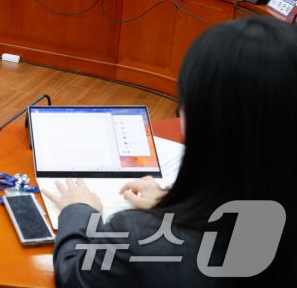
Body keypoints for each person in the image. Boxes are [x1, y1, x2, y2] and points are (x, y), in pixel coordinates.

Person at [45, 17, 295, 286]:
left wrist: (78, 211)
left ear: (201, 122)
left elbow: (73, 275)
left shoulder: (140, 240)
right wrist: (170, 204)